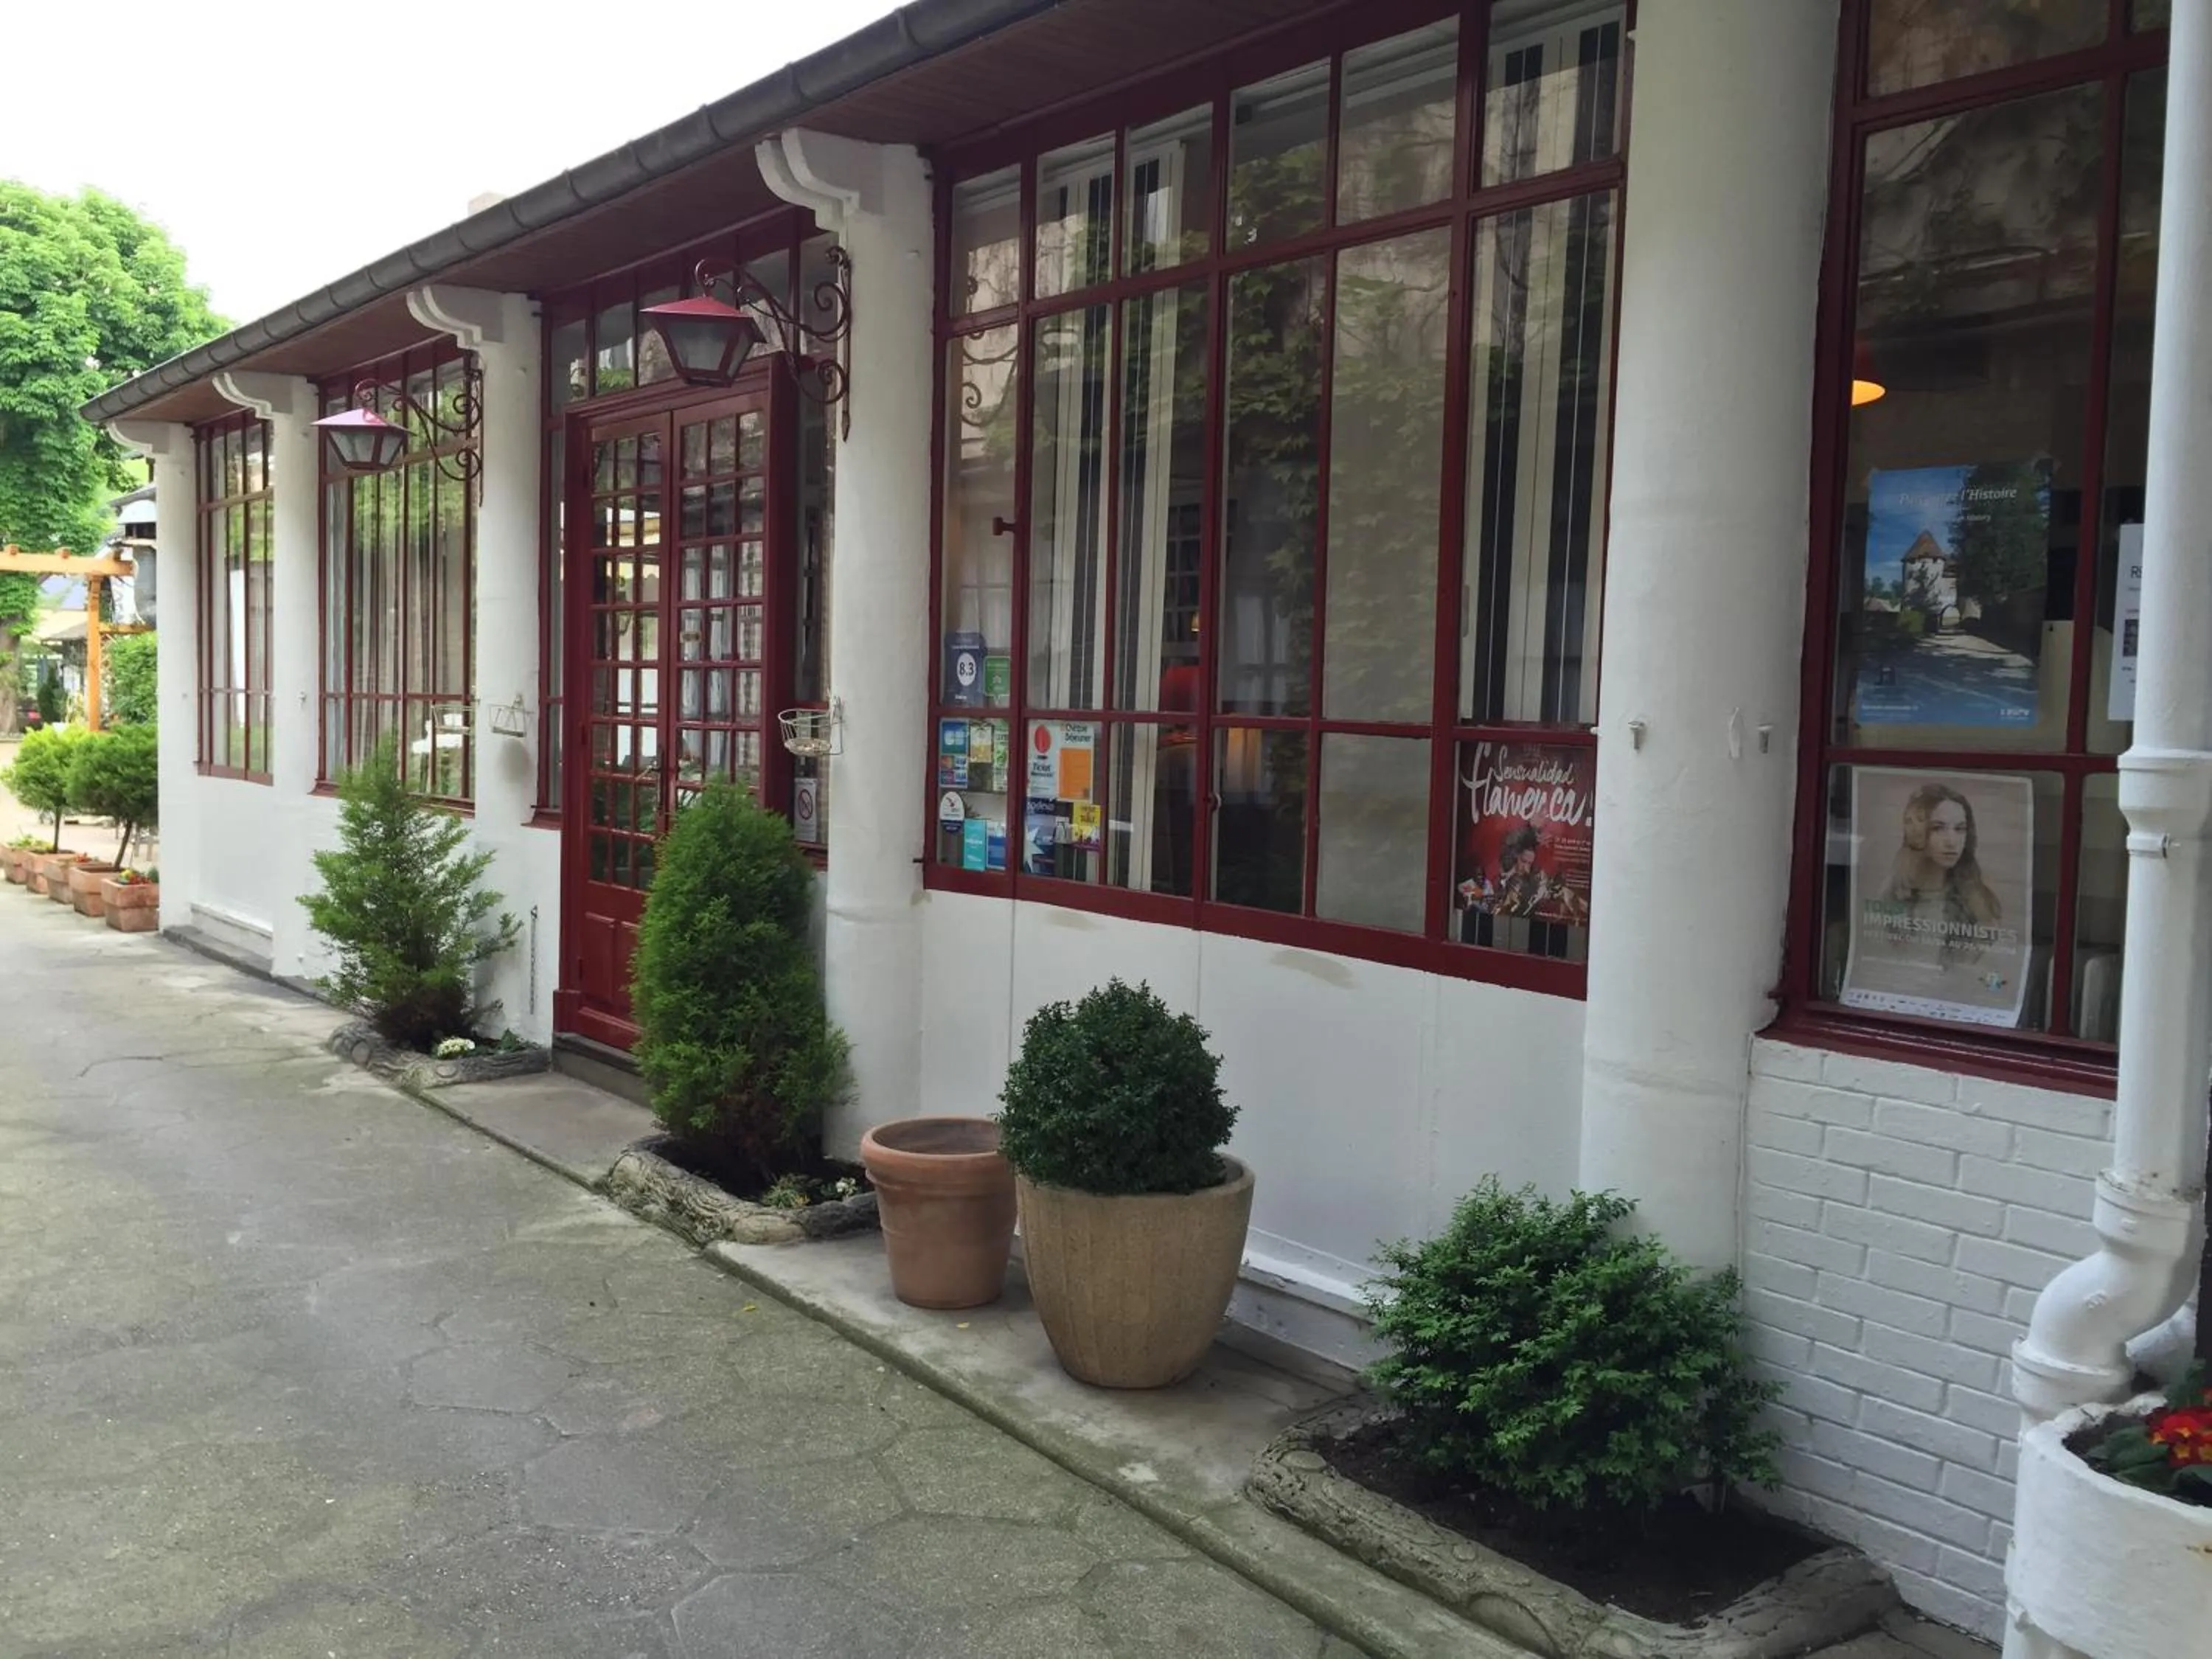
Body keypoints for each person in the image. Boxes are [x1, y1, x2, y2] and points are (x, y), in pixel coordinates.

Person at [1882, 782, 2000, 957]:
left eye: (1960, 829)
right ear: (1917, 833)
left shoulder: (1981, 903)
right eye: (1938, 828)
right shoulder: (1892, 893)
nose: (1951, 841)